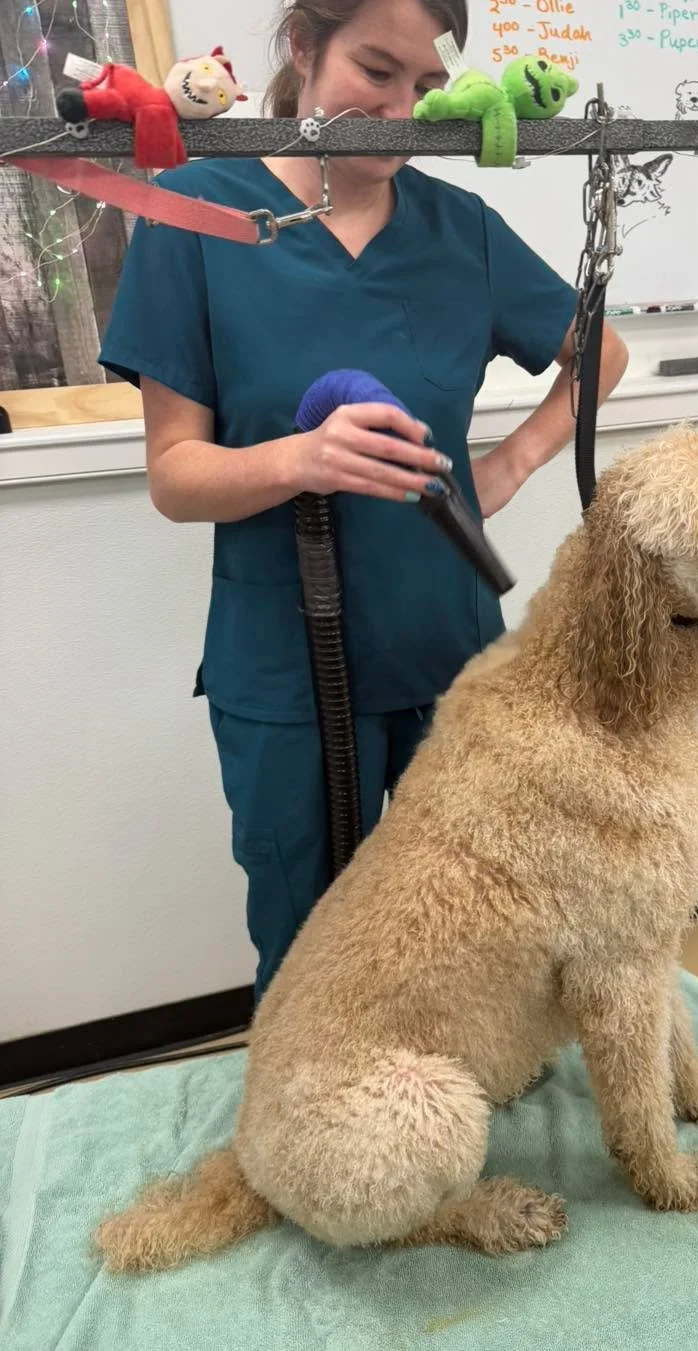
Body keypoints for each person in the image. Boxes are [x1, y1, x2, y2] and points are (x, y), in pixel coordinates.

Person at [99, 0, 628, 1002]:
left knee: (474, 931)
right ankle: (310, 1137)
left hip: (451, 651)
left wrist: (504, 467)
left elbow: (601, 351)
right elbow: (176, 474)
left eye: (427, 88)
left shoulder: (457, 228)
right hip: (287, 667)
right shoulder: (198, 218)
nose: (401, 110)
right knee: (311, 951)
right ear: (304, 47)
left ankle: (450, 1125)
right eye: (376, 72)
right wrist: (303, 458)